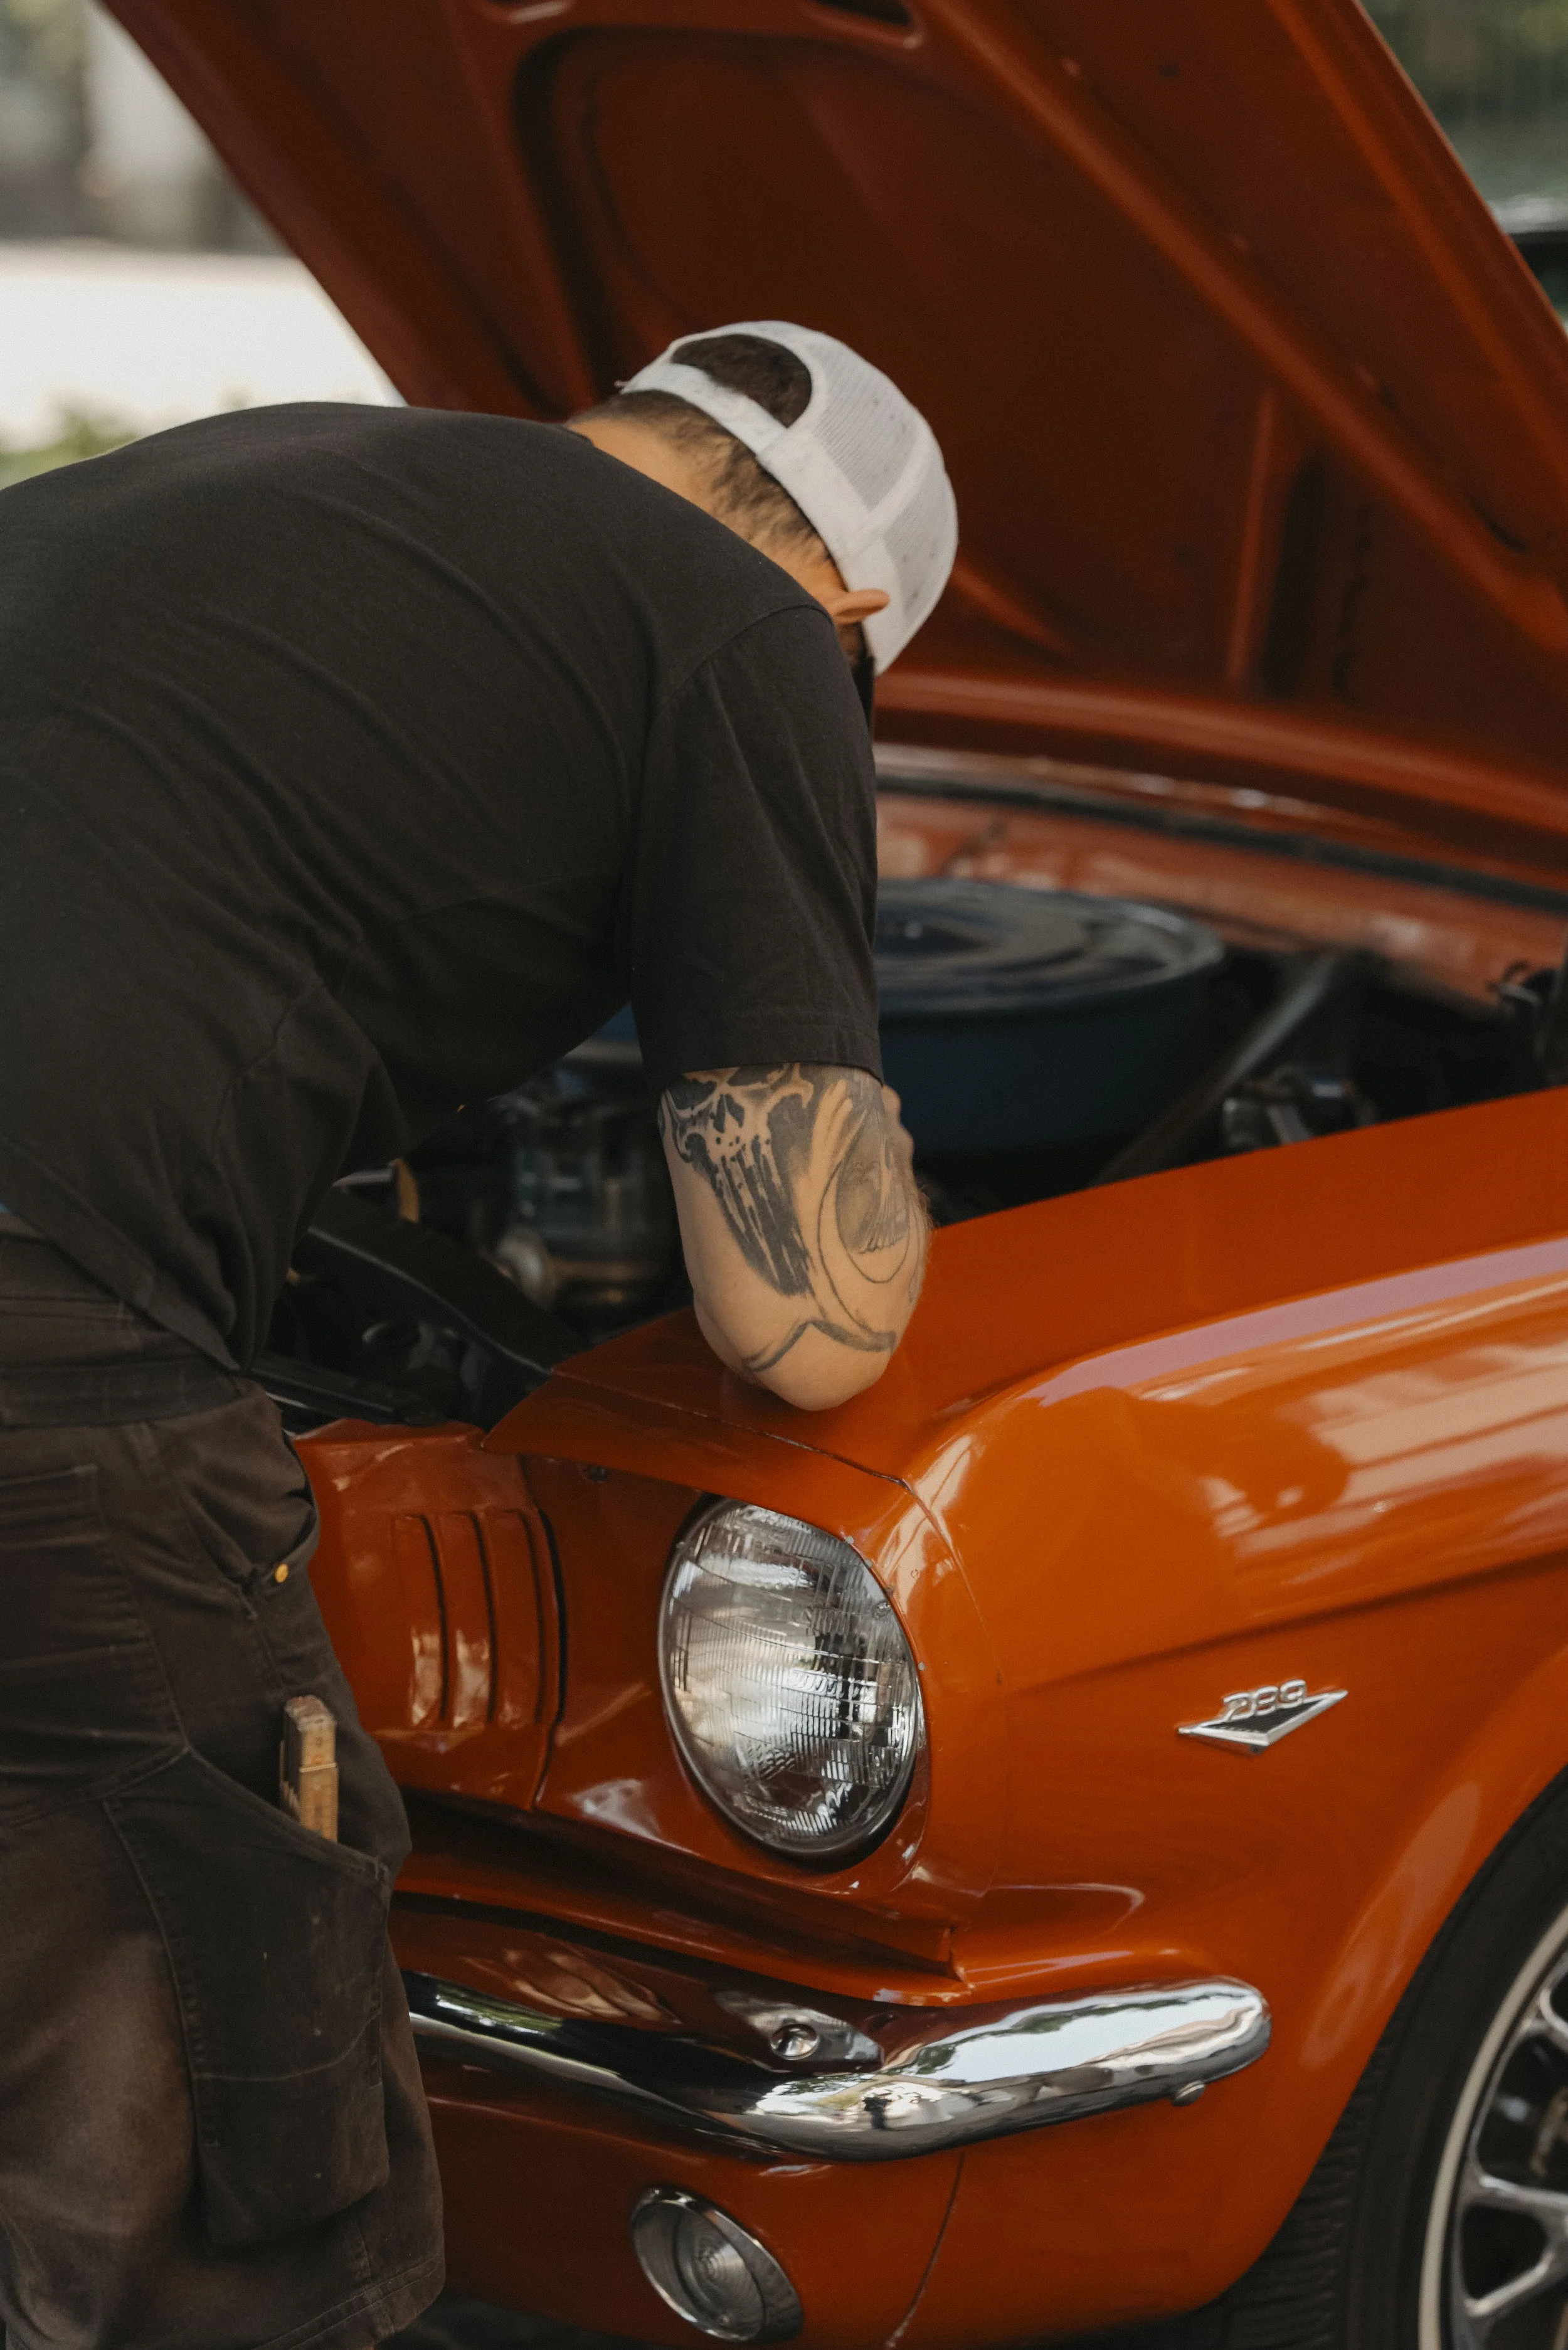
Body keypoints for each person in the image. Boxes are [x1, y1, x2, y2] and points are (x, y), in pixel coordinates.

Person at [0, 320, 956, 2350]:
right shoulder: (743, 627)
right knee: (222, 2125)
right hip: (47, 1340)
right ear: (849, 606)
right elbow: (800, 1325)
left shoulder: (251, 478)